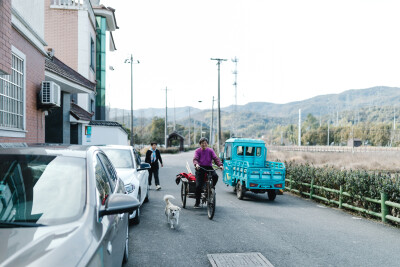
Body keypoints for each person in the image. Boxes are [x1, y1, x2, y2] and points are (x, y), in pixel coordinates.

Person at [193, 137, 223, 208]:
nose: (204, 144)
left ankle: (211, 188)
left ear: (207, 144)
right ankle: (197, 202)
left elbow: (216, 158)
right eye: (202, 143)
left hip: (209, 167)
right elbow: (195, 159)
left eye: (205, 143)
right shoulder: (197, 151)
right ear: (200, 144)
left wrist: (220, 165)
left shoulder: (210, 150)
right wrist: (196, 164)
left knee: (215, 176)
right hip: (200, 168)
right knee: (198, 186)